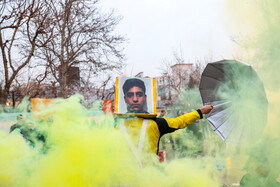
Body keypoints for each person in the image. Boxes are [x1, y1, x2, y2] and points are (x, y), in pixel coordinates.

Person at [116, 105, 214, 155]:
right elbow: (179, 122)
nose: (135, 99)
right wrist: (200, 112)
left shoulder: (116, 126)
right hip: (148, 178)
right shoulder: (156, 124)